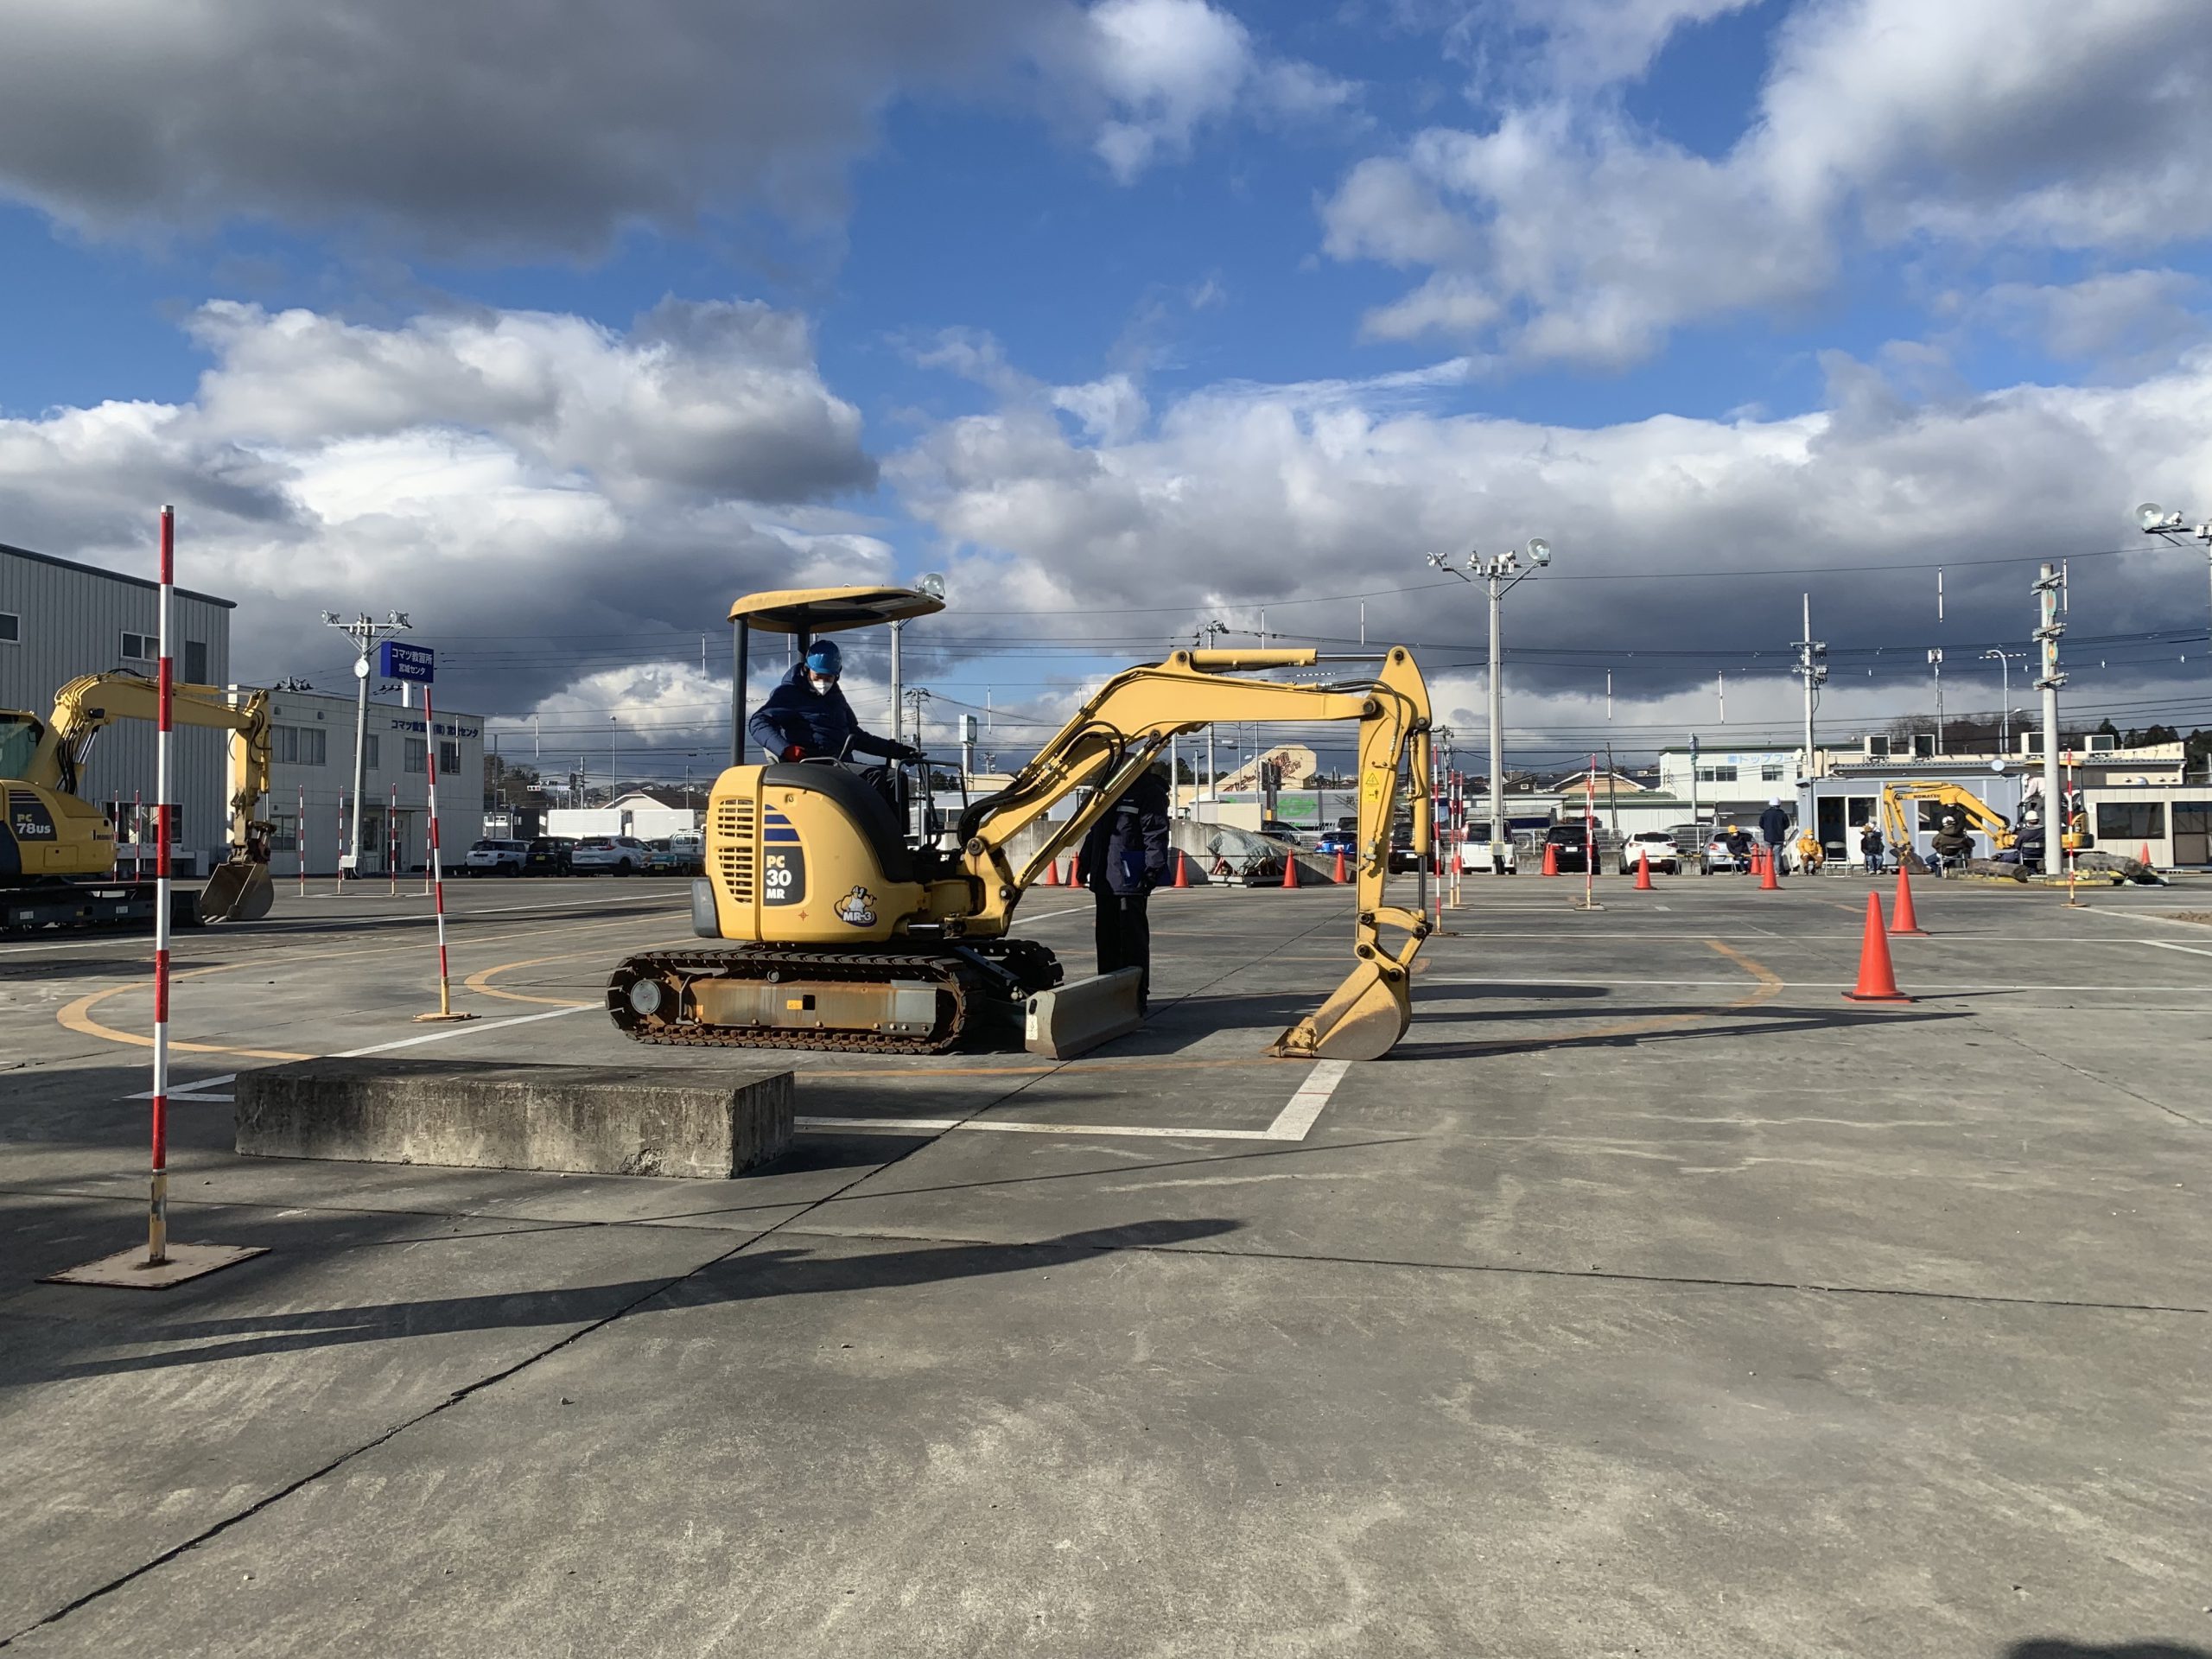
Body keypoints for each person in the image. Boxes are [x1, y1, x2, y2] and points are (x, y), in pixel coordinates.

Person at [747, 640, 920, 800]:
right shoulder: (788, 694)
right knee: (871, 775)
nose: (823, 682)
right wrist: (785, 749)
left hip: (838, 763)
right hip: (812, 765)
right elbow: (759, 722)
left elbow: (856, 737)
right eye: (818, 676)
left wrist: (899, 751)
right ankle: (868, 832)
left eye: (828, 678)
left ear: (837, 675)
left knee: (896, 778)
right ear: (807, 670)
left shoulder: (836, 698)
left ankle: (895, 832)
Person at [1082, 764, 1171, 1011]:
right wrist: (1085, 862)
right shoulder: (1107, 791)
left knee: (1132, 944)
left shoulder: (1147, 791)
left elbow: (1156, 833)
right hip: (1105, 881)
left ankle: (1135, 998)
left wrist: (1152, 870)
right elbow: (1094, 833)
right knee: (1107, 942)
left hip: (1130, 879)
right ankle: (1108, 996)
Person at [1758, 796, 1791, 877]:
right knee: (1777, 856)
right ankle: (1778, 872)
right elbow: (1787, 825)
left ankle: (1767, 871)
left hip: (1768, 837)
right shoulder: (1782, 813)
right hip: (1779, 838)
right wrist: (1780, 829)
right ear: (1779, 805)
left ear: (1770, 804)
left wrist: (1767, 829)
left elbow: (1761, 824)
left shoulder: (1765, 813)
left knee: (1768, 855)